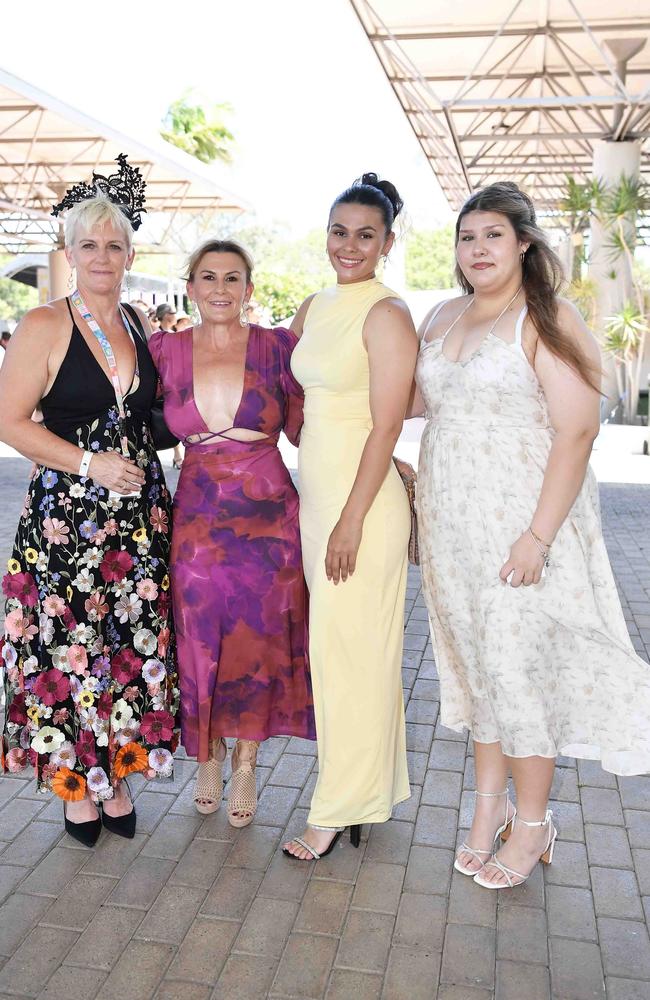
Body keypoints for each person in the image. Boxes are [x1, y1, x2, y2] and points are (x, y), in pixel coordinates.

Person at [412, 180, 650, 889]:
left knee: (517, 677)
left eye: (492, 235)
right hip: (452, 528)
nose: (477, 249)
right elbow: (427, 405)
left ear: (523, 243)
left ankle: (536, 823)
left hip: (521, 530)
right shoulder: (444, 316)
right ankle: (487, 812)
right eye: (466, 236)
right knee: (479, 673)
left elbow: (577, 432)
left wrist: (537, 538)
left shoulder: (544, 317)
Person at [0, 156, 178, 847]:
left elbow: (153, 415)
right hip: (65, 525)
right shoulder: (45, 325)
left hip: (134, 524)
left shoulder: (136, 321)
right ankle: (76, 782)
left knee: (127, 650)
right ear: (68, 254)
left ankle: (121, 773)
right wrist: (87, 463)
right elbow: (10, 423)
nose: (102, 256)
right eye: (88, 245)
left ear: (130, 253)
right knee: (69, 648)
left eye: (114, 244)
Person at [148, 238, 315, 826]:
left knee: (261, 638)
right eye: (209, 277)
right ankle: (209, 750)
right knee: (198, 634)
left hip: (270, 516)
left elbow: (308, 430)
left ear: (249, 288)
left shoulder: (278, 348)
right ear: (189, 286)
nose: (220, 288)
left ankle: (246, 760)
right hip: (197, 510)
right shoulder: (163, 351)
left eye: (233, 278)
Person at [282, 173, 418, 861]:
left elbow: (388, 424)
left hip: (358, 511)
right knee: (339, 657)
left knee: (352, 658)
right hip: (321, 502)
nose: (350, 245)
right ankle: (364, 797)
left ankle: (334, 811)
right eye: (340, 231)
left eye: (366, 234)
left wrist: (351, 519)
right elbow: (284, 389)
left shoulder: (387, 314)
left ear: (388, 243)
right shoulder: (315, 305)